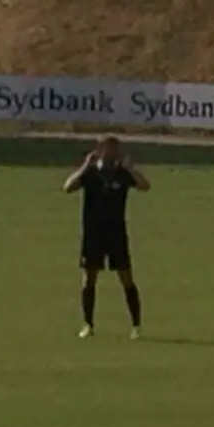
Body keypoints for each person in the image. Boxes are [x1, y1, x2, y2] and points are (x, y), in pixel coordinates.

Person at [62, 136, 150, 339]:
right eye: (108, 149)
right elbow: (67, 187)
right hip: (93, 234)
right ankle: (88, 325)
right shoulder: (91, 173)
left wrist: (131, 169)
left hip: (116, 234)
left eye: (115, 149)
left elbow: (145, 186)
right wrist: (85, 166)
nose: (112, 153)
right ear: (99, 150)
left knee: (126, 278)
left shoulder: (122, 174)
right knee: (89, 278)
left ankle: (136, 326)